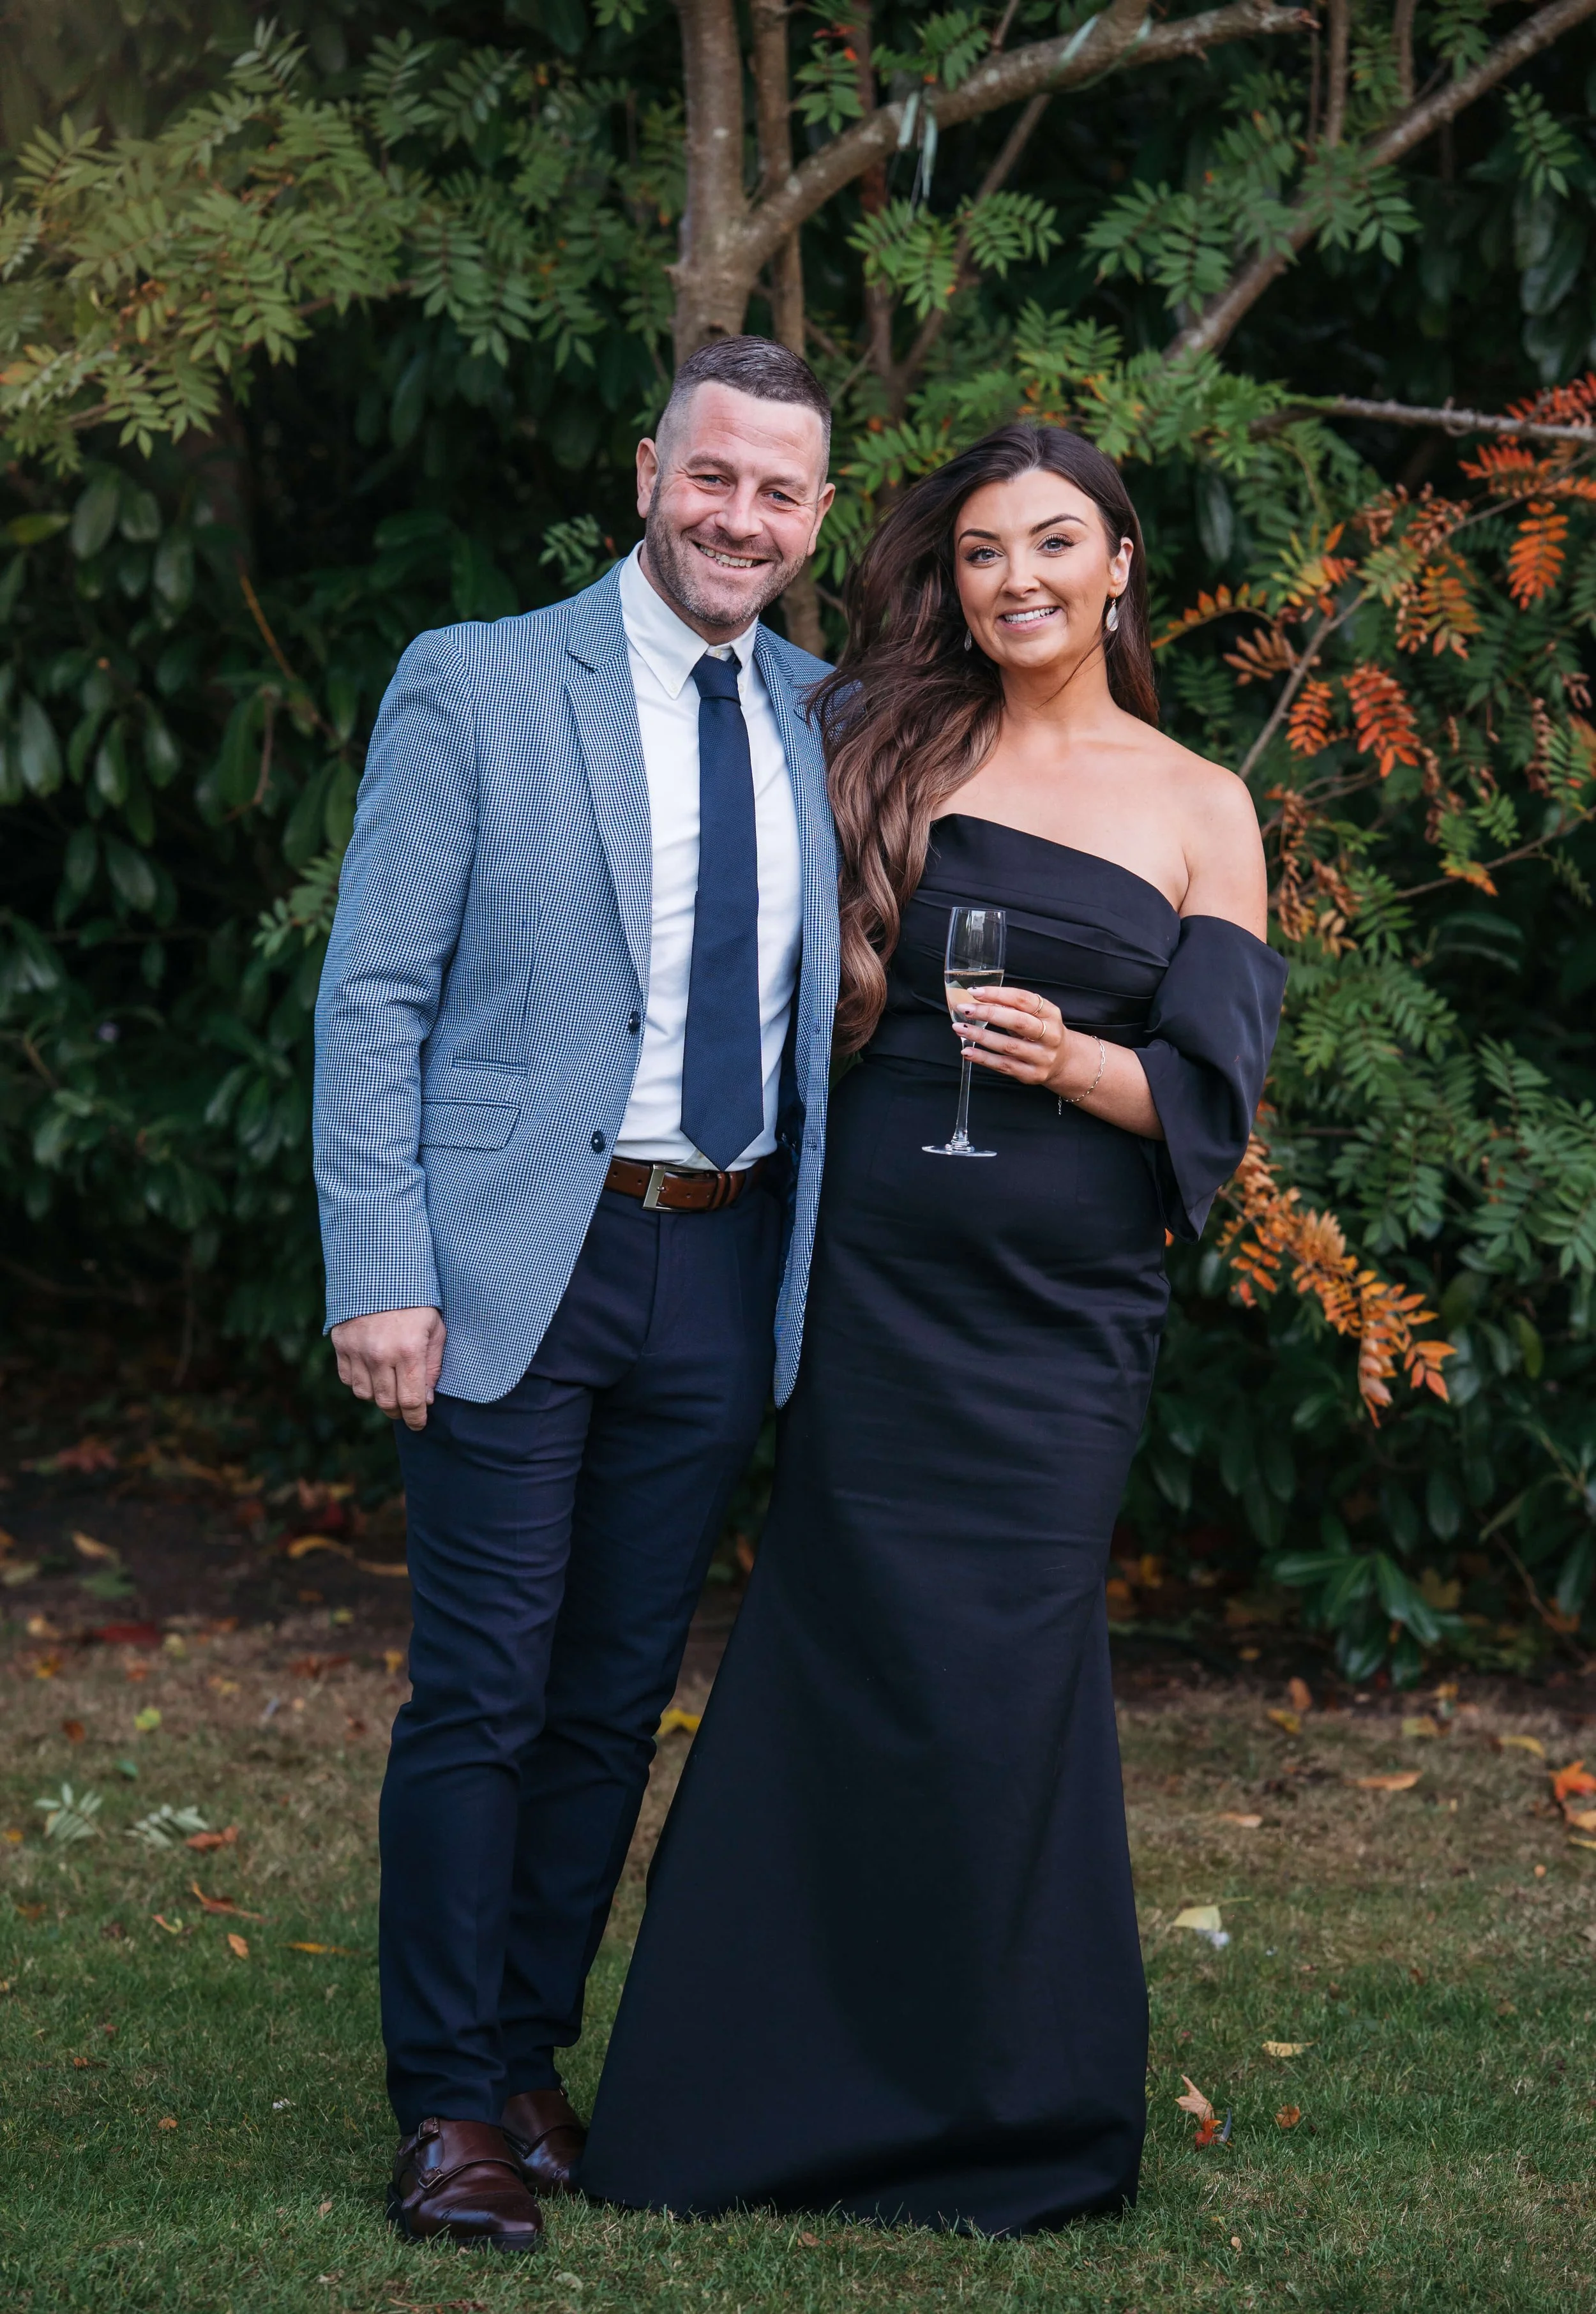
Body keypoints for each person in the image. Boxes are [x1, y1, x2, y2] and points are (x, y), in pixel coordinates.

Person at [580, 423, 1288, 2235]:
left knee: (1001, 1683)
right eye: (980, 550)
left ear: (1118, 566)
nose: (1018, 577)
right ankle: (742, 2104)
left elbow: (1215, 1097)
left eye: (1055, 543)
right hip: (873, 1291)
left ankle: (1005, 2119)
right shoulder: (877, 743)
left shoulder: (1200, 800)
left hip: (1056, 1328)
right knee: (835, 1656)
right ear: (950, 581)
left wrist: (1082, 1064)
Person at [312, 336, 839, 2253]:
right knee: (483, 1692)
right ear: (647, 472)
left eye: (779, 492)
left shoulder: (822, 715)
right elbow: (371, 996)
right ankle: (444, 2101)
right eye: (714, 478)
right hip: (512, 1257)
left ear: (815, 517)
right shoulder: (477, 679)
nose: (740, 518)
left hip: (721, 1259)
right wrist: (380, 1271)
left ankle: (529, 2054)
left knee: (615, 1701)